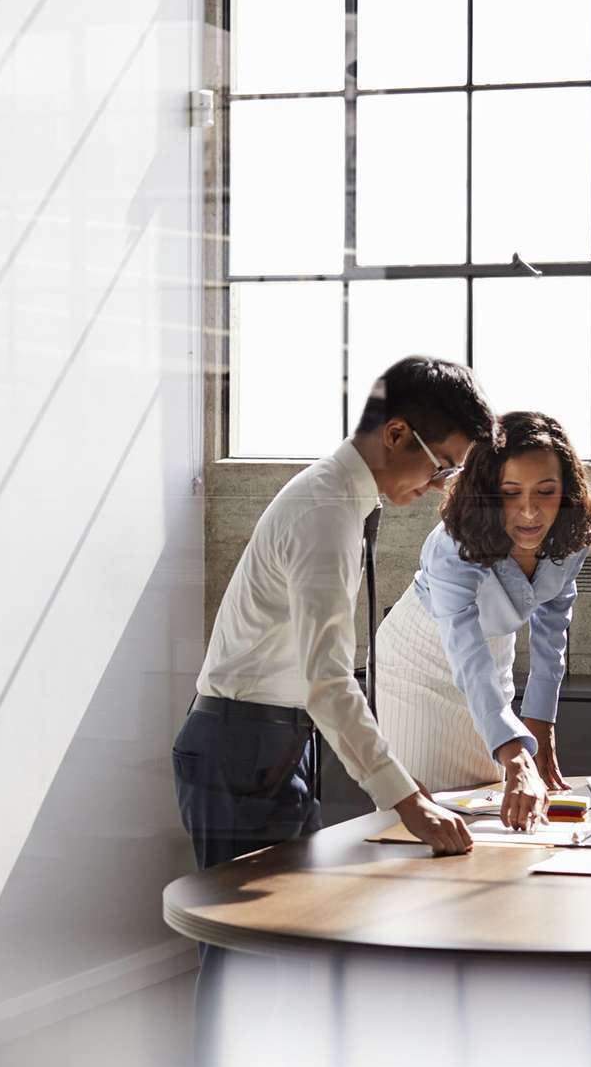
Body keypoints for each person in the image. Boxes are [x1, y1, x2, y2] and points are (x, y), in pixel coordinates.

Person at [173, 355, 496, 869]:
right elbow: (327, 679)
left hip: (271, 738)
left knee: (287, 933)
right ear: (394, 433)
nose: (441, 486)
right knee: (247, 939)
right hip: (243, 743)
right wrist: (407, 802)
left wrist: (399, 785)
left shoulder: (341, 502)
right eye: (442, 465)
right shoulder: (325, 513)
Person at [374, 411, 591, 828]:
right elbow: (464, 650)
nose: (530, 512)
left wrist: (539, 723)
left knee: (491, 813)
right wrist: (514, 751)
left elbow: (553, 618)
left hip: (493, 654)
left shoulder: (573, 526)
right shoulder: (452, 544)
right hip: (420, 662)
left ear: (566, 490)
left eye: (545, 492)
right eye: (511, 493)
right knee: (428, 819)